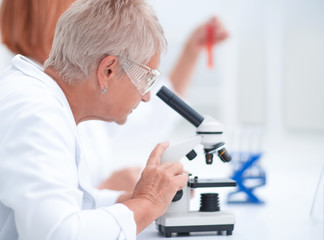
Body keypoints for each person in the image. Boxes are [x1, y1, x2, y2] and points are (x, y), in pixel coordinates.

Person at [0, 0, 189, 239]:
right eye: (146, 79)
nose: (146, 96)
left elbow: (67, 203)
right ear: (108, 70)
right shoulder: (37, 114)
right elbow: (57, 233)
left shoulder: (44, 100)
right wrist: (147, 202)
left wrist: (136, 197)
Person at [0, 0, 229, 193]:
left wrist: (190, 52)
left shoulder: (75, 90)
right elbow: (54, 224)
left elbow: (146, 114)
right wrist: (106, 191)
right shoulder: (35, 106)